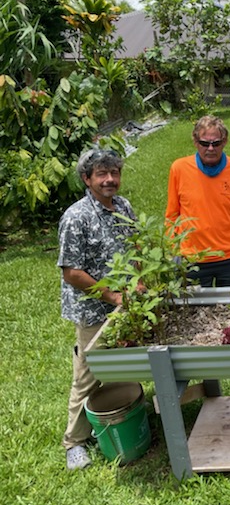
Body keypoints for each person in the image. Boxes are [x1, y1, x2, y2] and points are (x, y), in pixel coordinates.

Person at [58, 149, 136, 470]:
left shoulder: (123, 206)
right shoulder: (76, 217)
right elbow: (71, 272)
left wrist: (140, 277)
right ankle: (74, 443)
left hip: (125, 304)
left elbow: (136, 243)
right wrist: (113, 296)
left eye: (114, 173)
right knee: (88, 376)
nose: (109, 180)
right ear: (86, 179)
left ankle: (115, 417)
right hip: (94, 311)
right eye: (101, 174)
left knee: (119, 367)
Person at [166, 115, 230, 287]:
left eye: (217, 143)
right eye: (204, 143)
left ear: (225, 141)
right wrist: (173, 250)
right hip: (192, 258)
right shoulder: (179, 169)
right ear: (195, 141)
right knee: (192, 314)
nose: (211, 148)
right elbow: (172, 214)